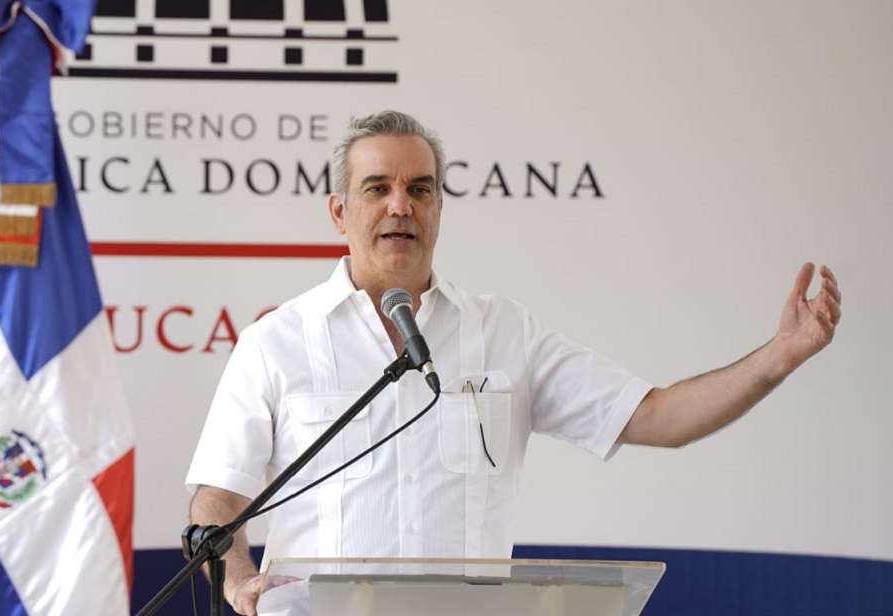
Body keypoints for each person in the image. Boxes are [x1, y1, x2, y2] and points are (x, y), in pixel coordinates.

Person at [184, 110, 843, 616]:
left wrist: (777, 358)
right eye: (377, 188)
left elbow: (657, 416)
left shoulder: (502, 332)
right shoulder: (279, 341)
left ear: (438, 208)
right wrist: (238, 578)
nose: (399, 205)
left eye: (419, 188)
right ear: (339, 212)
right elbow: (218, 495)